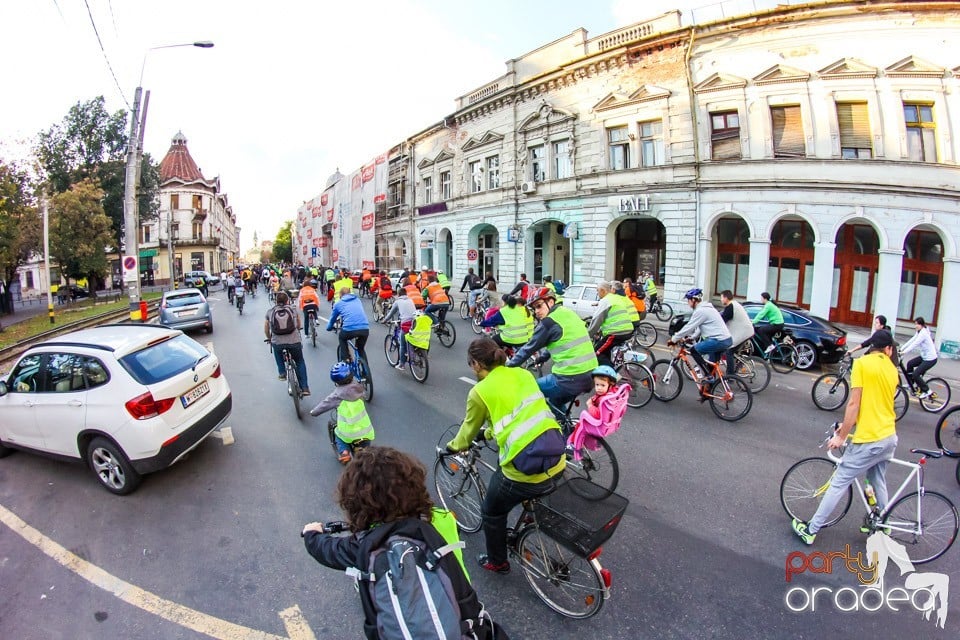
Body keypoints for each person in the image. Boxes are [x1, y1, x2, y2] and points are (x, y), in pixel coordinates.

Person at [302, 447, 500, 639]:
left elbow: (328, 550)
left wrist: (312, 535)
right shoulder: (443, 517)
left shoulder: (367, 544)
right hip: (457, 603)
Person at [446, 338, 566, 574]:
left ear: (477, 365)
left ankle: (497, 561)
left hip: (523, 473)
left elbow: (467, 433)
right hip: (557, 458)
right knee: (527, 489)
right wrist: (490, 433)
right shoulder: (523, 374)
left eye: (471, 364)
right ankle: (532, 518)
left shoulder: (479, 391)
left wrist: (453, 447)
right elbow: (519, 415)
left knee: (492, 510)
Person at [792, 330, 899, 545]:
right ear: (888, 349)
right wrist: (847, 425)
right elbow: (875, 406)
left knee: (839, 483)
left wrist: (841, 436)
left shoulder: (862, 364)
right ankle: (883, 525)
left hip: (869, 440)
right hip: (889, 436)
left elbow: (854, 403)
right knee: (877, 480)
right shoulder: (892, 368)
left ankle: (811, 530)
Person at [506, 287, 598, 411]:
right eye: (534, 308)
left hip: (569, 378)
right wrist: (542, 357)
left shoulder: (548, 323)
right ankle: (566, 428)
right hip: (591, 375)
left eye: (539, 306)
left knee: (529, 389)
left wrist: (508, 367)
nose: (536, 311)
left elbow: (527, 349)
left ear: (550, 302)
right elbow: (563, 341)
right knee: (556, 403)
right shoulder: (568, 313)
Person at [309, 362, 373, 464]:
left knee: (339, 434)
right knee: (366, 447)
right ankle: (365, 453)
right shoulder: (359, 387)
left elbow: (324, 404)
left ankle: (345, 453)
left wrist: (313, 412)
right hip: (366, 430)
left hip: (349, 433)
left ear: (336, 381)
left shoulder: (337, 395)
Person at [668, 288, 732, 386]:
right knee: (711, 367)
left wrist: (673, 339)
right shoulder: (708, 308)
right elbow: (700, 327)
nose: (688, 303)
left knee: (694, 351)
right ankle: (708, 391)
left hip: (718, 340)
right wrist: (693, 337)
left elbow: (689, 327)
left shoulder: (701, 311)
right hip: (726, 339)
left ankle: (709, 377)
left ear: (693, 300)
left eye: (688, 300)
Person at [264, 291, 309, 396]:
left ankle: (282, 373)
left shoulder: (270, 312)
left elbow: (266, 328)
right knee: (299, 361)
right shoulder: (293, 309)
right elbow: (298, 324)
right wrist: (297, 329)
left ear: (275, 301)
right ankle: (305, 388)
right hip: (294, 341)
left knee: (277, 351)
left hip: (278, 342)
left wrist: (269, 338)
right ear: (287, 300)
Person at [587, 281, 639, 367]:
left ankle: (612, 376)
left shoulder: (605, 301)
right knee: (605, 352)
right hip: (627, 330)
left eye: (597, 291)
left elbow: (596, 321)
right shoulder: (616, 298)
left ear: (603, 291)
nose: (597, 293)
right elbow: (612, 318)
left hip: (616, 333)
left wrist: (588, 336)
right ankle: (606, 372)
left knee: (596, 353)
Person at [327, 286, 370, 363]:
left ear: (340, 295)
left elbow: (332, 319)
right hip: (365, 327)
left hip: (349, 329)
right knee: (360, 349)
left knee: (342, 338)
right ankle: (365, 372)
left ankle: (346, 359)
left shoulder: (338, 304)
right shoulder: (357, 300)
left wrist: (329, 327)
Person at [900, 317, 937, 398]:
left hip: (931, 359)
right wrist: (901, 348)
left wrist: (904, 352)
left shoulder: (923, 333)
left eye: (917, 324)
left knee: (916, 374)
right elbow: (912, 340)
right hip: (924, 357)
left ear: (922, 325)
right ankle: (911, 384)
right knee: (910, 364)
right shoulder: (919, 332)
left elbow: (915, 344)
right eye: (915, 324)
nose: (915, 326)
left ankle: (927, 391)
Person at [719, 290, 755, 373]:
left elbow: (723, 320)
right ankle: (735, 366)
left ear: (726, 298)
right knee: (730, 350)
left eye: (721, 298)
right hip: (746, 332)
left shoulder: (730, 306)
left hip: (744, 333)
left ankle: (730, 376)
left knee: (729, 351)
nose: (721, 300)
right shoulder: (734, 304)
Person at [382, 287, 417, 369]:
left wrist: (385, 320)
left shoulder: (397, 302)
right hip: (415, 322)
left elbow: (391, 313)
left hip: (406, 323)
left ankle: (402, 364)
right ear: (406, 294)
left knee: (402, 344)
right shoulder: (410, 300)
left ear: (398, 294)